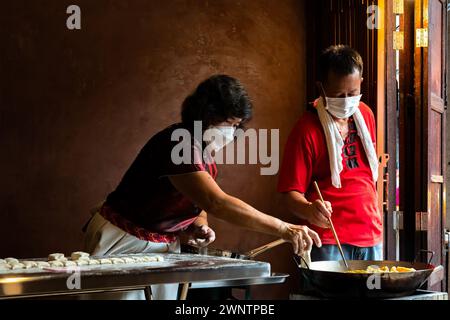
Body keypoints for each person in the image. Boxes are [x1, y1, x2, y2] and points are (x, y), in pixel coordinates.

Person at [83, 74, 321, 300]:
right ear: (206, 114)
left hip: (160, 248)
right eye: (229, 123)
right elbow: (215, 201)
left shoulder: (203, 152)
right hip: (124, 241)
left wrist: (199, 225)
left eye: (238, 126)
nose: (233, 132)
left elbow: (198, 205)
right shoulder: (180, 143)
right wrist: (283, 228)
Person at [277, 45, 382, 262]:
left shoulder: (366, 114)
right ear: (321, 88)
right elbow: (289, 194)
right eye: (337, 95)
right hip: (327, 240)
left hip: (370, 233)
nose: (346, 101)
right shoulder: (306, 129)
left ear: (361, 81)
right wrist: (308, 210)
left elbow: (369, 176)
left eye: (352, 93)